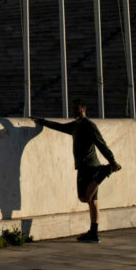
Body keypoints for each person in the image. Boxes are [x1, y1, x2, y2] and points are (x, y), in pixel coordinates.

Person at [31, 99, 121, 243]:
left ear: (84, 109)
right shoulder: (75, 126)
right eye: (72, 109)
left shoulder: (89, 125)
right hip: (88, 166)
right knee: (93, 201)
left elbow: (101, 143)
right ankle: (93, 232)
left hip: (89, 167)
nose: (73, 112)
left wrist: (112, 161)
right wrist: (42, 121)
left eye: (76, 109)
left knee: (84, 198)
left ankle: (105, 172)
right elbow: (58, 126)